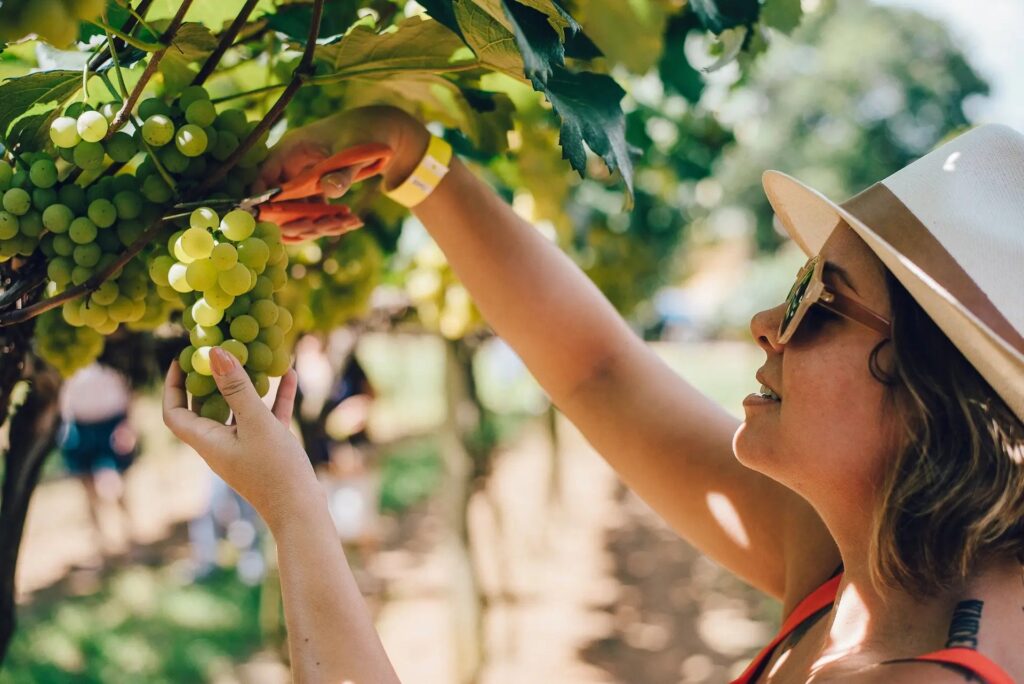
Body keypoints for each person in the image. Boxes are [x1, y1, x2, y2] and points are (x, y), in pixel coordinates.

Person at [163, 109, 1024, 683]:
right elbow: (596, 371)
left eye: (816, 303)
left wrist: (295, 511)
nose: (768, 319)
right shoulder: (869, 573)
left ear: (933, 391)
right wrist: (412, 155)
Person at [59, 361, 138, 558]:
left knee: (118, 486)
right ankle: (100, 545)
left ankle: (130, 539)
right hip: (79, 426)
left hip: (111, 423)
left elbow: (127, 387)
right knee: (87, 489)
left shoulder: (112, 355)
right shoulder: (63, 357)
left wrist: (127, 424)